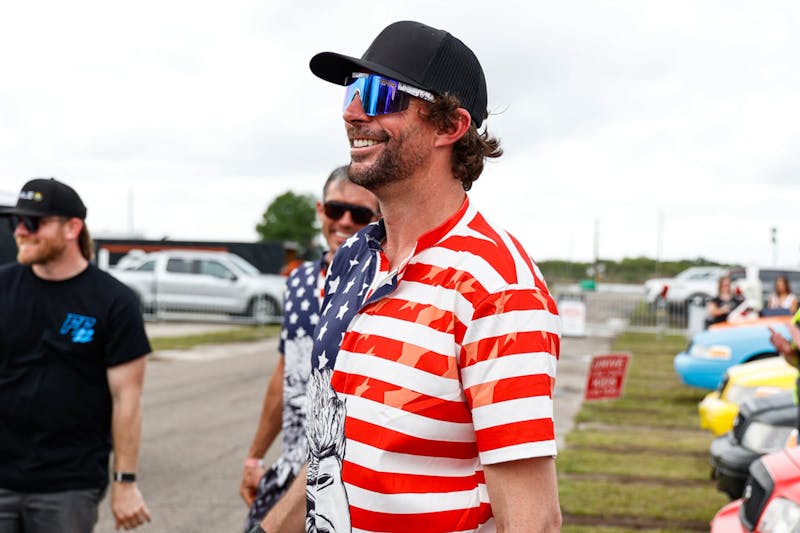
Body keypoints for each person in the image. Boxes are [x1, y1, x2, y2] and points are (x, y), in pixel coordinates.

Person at [256, 20, 561, 533]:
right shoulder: (353, 258)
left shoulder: (498, 290)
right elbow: (335, 453)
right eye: (352, 91)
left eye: (379, 94)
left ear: (449, 127)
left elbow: (533, 519)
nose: (353, 112)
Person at [0, 178, 151, 532]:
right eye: (16, 222)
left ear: (72, 228)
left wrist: (125, 482)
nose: (20, 231)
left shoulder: (114, 302)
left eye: (33, 222)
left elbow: (127, 398)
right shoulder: (2, 288)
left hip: (68, 486)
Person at [240, 167, 379, 532]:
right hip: (291, 468)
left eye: (360, 213)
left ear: (377, 218)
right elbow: (285, 373)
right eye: (335, 209)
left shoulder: (383, 284)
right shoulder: (299, 281)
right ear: (320, 210)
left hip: (345, 483)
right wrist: (255, 457)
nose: (344, 221)